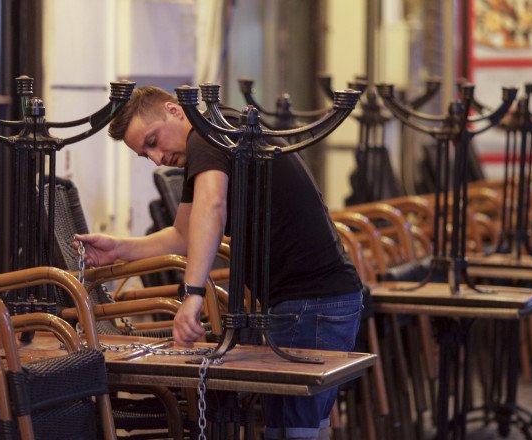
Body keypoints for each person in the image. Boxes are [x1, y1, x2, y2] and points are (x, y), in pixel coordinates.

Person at [73, 86, 363, 440]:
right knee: (301, 428)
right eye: (145, 154)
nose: (157, 158)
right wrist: (118, 247)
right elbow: (184, 233)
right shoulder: (216, 130)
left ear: (175, 111)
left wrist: (193, 294)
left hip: (310, 302)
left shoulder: (208, 135)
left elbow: (212, 206)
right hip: (313, 301)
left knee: (293, 431)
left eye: (153, 141)